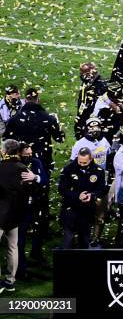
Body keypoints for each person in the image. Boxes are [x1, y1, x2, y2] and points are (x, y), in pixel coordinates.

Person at [4, 88, 65, 245]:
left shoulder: (15, 118)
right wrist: (57, 122)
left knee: (17, 194)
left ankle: (15, 228)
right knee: (41, 197)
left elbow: (7, 141)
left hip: (20, 163)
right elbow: (60, 138)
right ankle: (41, 230)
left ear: (25, 99)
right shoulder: (48, 118)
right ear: (38, 99)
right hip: (42, 163)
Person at [58, 147, 106, 249]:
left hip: (87, 210)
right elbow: (62, 189)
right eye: (80, 162)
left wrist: (92, 195)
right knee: (68, 239)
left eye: (85, 163)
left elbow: (101, 189)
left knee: (84, 239)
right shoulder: (68, 169)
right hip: (70, 208)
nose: (82, 165)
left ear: (91, 159)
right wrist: (77, 196)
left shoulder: (99, 171)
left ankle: (83, 263)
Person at [0, 139, 29, 293]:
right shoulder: (23, 168)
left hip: (0, 215)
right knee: (13, 248)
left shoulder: (0, 167)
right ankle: (10, 282)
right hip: (15, 215)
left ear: (4, 151)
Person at [16, 142, 48, 277]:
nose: (29, 156)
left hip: (36, 203)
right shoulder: (13, 165)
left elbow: (44, 179)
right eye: (26, 155)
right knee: (20, 238)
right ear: (19, 154)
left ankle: (36, 254)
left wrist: (35, 177)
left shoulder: (36, 162)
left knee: (40, 230)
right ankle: (20, 268)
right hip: (19, 207)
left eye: (30, 154)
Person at [74, 62, 107, 139]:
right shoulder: (86, 82)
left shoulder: (101, 85)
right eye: (81, 73)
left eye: (84, 73)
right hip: (83, 116)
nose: (82, 75)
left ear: (91, 72)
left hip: (93, 120)